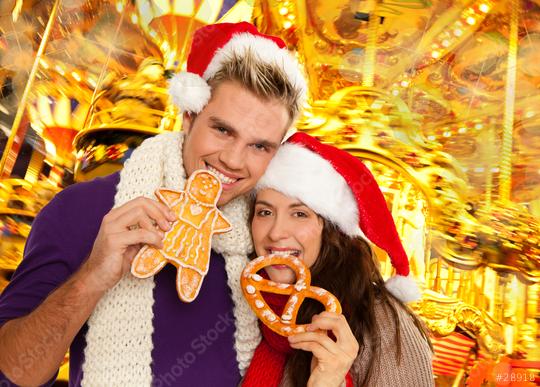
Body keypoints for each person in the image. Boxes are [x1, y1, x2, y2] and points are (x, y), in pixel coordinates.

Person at [0, 22, 306, 386]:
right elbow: (14, 373)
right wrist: (93, 277)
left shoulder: (270, 236)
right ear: (189, 116)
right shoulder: (84, 210)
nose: (234, 161)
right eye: (223, 130)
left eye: (260, 146)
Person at [242, 132, 434, 387]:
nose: (276, 232)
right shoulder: (243, 311)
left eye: (299, 214)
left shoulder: (382, 322)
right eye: (265, 212)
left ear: (331, 230)